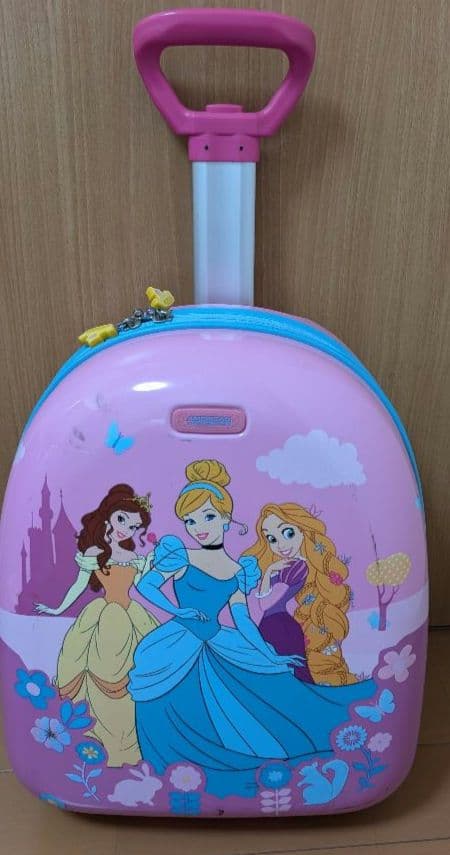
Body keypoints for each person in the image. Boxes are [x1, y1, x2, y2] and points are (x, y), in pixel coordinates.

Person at [129, 460, 376, 798]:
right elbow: (145, 586)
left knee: (263, 693)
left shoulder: (237, 570)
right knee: (169, 701)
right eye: (190, 520)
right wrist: (177, 609)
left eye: (207, 517)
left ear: (226, 518)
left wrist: (268, 655)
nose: (198, 527)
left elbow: (242, 619)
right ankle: (172, 770)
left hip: (216, 639)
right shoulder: (182, 556)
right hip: (177, 642)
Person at [35, 484, 158, 766]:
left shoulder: (133, 558)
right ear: (109, 517)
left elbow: (139, 587)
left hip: (133, 617)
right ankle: (98, 736)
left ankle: (135, 740)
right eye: (122, 519)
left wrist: (149, 566)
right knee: (94, 668)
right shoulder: (94, 552)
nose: (126, 529)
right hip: (103, 619)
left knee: (140, 669)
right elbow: (79, 585)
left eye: (133, 526)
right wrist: (58, 609)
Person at [246, 503, 357, 686]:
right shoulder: (284, 567)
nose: (280, 545)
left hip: (280, 626)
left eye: (288, 533)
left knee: (290, 675)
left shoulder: (298, 568)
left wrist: (269, 572)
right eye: (272, 539)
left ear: (302, 530)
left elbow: (265, 604)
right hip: (272, 625)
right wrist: (270, 571)